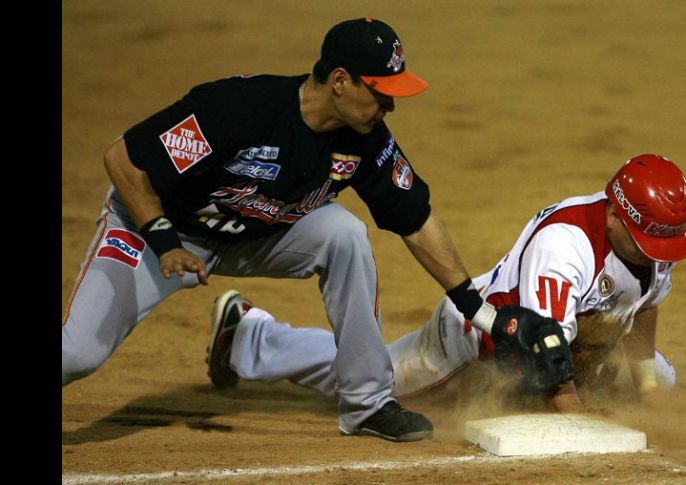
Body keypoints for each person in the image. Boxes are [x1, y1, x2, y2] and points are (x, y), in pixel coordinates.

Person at [62, 17, 566, 442]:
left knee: (343, 234)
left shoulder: (366, 138)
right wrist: (163, 238)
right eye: (380, 92)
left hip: (254, 234)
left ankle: (367, 404)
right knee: (79, 352)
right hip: (157, 232)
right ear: (341, 80)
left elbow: (417, 221)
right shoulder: (238, 108)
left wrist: (480, 314)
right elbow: (124, 159)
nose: (389, 106)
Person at [209, 154, 686, 413]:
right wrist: (580, 415)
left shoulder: (649, 237)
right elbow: (545, 356)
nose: (658, 250)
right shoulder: (565, 246)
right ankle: (249, 336)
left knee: (653, 381)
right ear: (614, 213)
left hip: (562, 345)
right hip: (473, 343)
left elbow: (646, 302)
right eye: (648, 238)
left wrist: (646, 380)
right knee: (368, 381)